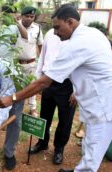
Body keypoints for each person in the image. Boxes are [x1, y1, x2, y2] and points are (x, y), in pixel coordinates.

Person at [0, 4, 112, 172]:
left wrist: (13, 98)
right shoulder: (92, 33)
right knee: (87, 144)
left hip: (106, 105)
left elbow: (44, 82)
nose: (56, 33)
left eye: (58, 28)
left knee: (94, 148)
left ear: (71, 22)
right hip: (98, 98)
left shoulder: (77, 44)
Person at [29, 29, 76, 165]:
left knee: (65, 119)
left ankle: (59, 149)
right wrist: (38, 80)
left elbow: (82, 67)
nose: (56, 30)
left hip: (68, 84)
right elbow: (42, 58)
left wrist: (77, 90)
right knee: (45, 115)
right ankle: (42, 143)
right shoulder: (50, 34)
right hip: (48, 79)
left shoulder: (78, 38)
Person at [16, 6, 43, 116]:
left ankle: (32, 108)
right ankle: (16, 108)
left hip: (31, 63)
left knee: (32, 87)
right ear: (22, 16)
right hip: (16, 63)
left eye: (32, 16)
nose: (29, 18)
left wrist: (42, 61)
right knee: (16, 87)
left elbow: (41, 45)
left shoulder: (37, 28)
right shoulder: (14, 27)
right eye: (27, 16)